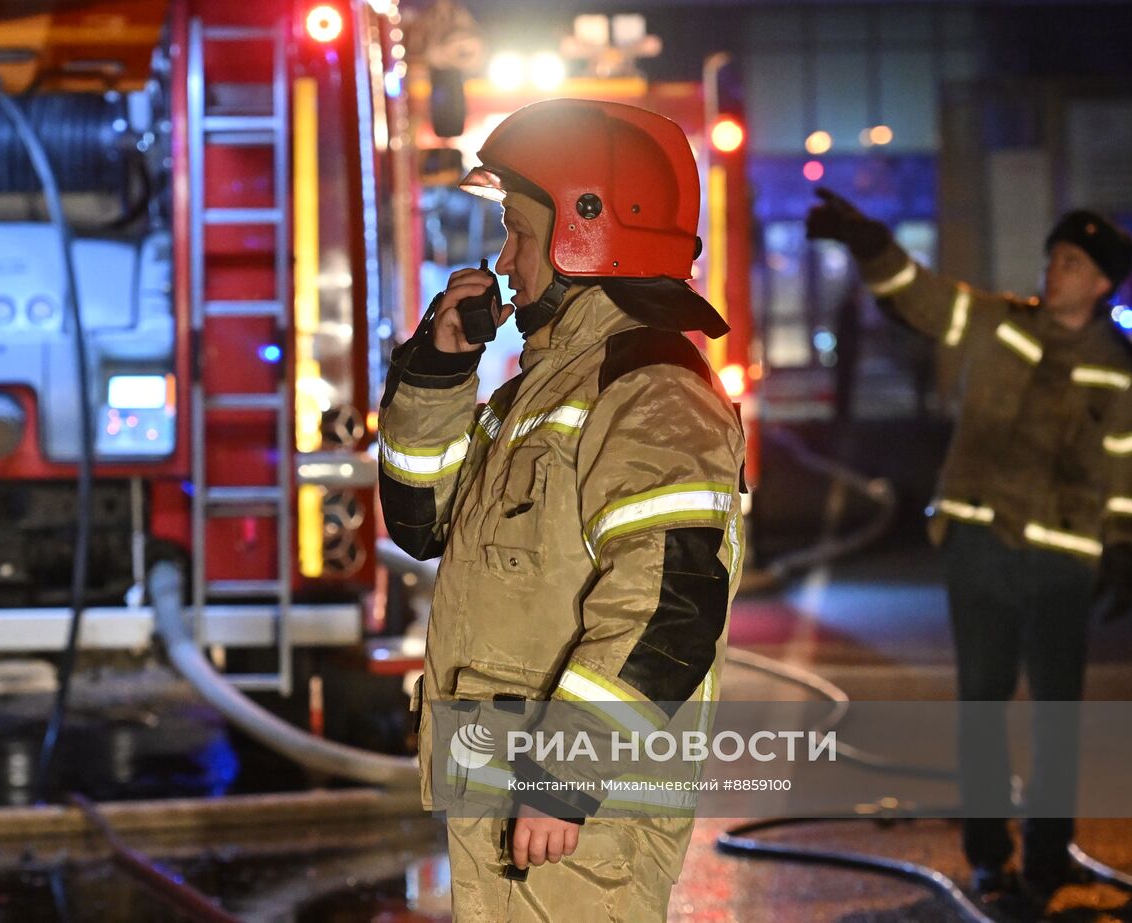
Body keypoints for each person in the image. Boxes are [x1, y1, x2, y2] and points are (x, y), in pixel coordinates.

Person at [378, 99, 747, 921]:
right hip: (513, 777)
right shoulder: (544, 387)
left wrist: (568, 773)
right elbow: (419, 522)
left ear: (588, 228)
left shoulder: (651, 391)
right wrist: (440, 373)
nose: (505, 261)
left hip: (575, 799)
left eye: (517, 231)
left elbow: (667, 607)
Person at [806, 190, 1132, 905]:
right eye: (1052, 258)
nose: (1054, 271)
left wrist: (1125, 543)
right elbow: (919, 297)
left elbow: (1123, 462)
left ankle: (1047, 857)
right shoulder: (999, 323)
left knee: (1057, 721)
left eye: (1072, 263)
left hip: (1062, 560)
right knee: (982, 712)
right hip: (979, 545)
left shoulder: (1119, 364)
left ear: (1102, 282)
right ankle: (991, 857)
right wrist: (867, 240)